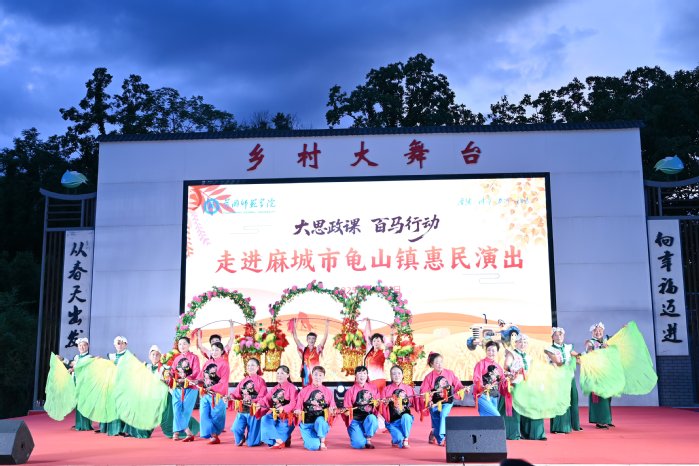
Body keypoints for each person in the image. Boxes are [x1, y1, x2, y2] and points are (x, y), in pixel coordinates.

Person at [420, 352, 469, 446]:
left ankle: (443, 437)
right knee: (436, 419)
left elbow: (457, 384)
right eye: (437, 363)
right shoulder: (428, 377)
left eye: (441, 362)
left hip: (447, 401)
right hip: (434, 403)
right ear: (432, 364)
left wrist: (463, 389)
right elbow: (425, 392)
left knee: (443, 415)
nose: (440, 364)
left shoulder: (449, 373)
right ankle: (434, 432)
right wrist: (429, 401)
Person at [504, 334, 546, 441]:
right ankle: (514, 433)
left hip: (527, 386)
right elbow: (506, 366)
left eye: (525, 342)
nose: (523, 344)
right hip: (515, 384)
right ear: (516, 343)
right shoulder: (511, 353)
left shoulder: (528, 357)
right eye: (520, 342)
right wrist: (514, 370)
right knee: (515, 411)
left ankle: (530, 433)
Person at [545, 327, 582, 433]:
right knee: (560, 401)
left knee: (573, 399)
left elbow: (578, 357)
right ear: (552, 337)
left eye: (560, 334)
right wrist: (570, 362)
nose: (558, 337)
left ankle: (574, 424)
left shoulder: (568, 347)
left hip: (570, 378)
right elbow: (556, 363)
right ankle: (559, 427)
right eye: (556, 335)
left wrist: (581, 357)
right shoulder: (550, 349)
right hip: (558, 380)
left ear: (564, 336)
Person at [294, 366, 336, 451]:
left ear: (323, 377)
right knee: (314, 446)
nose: (318, 377)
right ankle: (309, 439)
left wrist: (332, 410)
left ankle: (322, 440)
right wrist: (297, 410)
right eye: (316, 374)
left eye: (320, 375)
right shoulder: (304, 391)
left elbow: (333, 407)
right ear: (312, 376)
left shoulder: (328, 392)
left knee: (321, 420)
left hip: (320, 423)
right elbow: (298, 406)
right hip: (307, 424)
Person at [170, 336, 201, 442]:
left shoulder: (194, 357)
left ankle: (177, 432)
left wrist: (186, 379)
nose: (182, 346)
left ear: (189, 344)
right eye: (180, 344)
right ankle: (185, 431)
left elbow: (196, 371)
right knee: (176, 409)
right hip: (178, 388)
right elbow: (173, 371)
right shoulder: (176, 358)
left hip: (190, 388)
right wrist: (169, 375)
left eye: (184, 343)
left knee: (185, 410)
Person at [230, 357, 267, 447]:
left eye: (253, 365)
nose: (250, 367)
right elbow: (236, 393)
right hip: (242, 410)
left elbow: (262, 396)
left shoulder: (261, 381)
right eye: (248, 365)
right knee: (235, 428)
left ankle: (258, 438)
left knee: (252, 443)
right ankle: (241, 437)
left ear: (258, 367)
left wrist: (253, 401)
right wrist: (230, 397)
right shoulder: (243, 381)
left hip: (253, 410)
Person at [98, 336, 130, 436]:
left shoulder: (128, 356)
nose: (120, 345)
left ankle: (121, 428)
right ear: (115, 345)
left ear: (125, 344)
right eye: (118, 343)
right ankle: (111, 428)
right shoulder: (111, 356)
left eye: (122, 343)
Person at [259, 365, 297, 449]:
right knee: (265, 419)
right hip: (275, 415)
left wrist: (283, 408)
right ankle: (279, 440)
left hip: (286, 417)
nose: (279, 375)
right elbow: (266, 399)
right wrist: (258, 404)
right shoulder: (275, 388)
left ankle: (282, 439)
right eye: (278, 373)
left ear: (288, 375)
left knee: (274, 440)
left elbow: (294, 402)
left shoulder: (292, 387)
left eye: (282, 373)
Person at [199, 342, 230, 444]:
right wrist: (198, 382)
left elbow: (223, 381)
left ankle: (215, 434)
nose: (214, 352)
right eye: (212, 350)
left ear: (222, 351)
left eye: (217, 350)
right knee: (204, 414)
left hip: (217, 395)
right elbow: (201, 376)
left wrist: (211, 387)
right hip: (205, 394)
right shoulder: (207, 362)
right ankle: (212, 434)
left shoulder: (224, 364)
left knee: (217, 416)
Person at [586, 322, 614, 429]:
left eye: (600, 330)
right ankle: (600, 421)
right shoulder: (590, 342)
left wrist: (624, 330)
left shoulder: (607, 340)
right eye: (595, 331)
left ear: (603, 330)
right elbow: (589, 353)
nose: (598, 332)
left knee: (607, 396)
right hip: (596, 373)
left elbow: (618, 338)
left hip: (607, 372)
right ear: (592, 333)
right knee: (599, 397)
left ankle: (607, 419)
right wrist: (601, 348)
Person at [343, 366, 379, 449]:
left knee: (372, 418)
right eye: (359, 373)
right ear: (355, 375)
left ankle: (368, 439)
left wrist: (378, 403)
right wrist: (346, 411)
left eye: (364, 373)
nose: (362, 375)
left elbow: (377, 404)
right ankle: (356, 432)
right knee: (358, 445)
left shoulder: (373, 388)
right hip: (356, 420)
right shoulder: (350, 391)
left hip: (368, 418)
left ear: (367, 375)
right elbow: (346, 408)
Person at [64, 337, 94, 431]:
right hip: (76, 382)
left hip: (84, 383)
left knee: (84, 403)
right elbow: (72, 363)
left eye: (84, 345)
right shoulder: (77, 357)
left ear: (88, 346)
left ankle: (85, 425)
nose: (82, 347)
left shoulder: (89, 357)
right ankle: (79, 424)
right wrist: (62, 359)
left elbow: (82, 367)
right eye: (80, 345)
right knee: (78, 403)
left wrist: (73, 369)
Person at [381, 365, 414, 449]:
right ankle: (396, 440)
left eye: (399, 373)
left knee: (406, 416)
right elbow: (381, 406)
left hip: (405, 418)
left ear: (402, 375)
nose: (397, 376)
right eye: (394, 374)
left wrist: (427, 398)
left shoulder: (408, 388)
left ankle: (406, 439)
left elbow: (416, 400)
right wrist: (385, 402)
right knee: (398, 439)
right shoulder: (386, 389)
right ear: (391, 376)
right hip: (392, 421)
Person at [473, 341, 507, 417]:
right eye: (488, 350)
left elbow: (502, 381)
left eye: (493, 350)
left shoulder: (498, 367)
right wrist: (483, 386)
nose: (490, 352)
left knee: (487, 420)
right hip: (483, 395)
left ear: (497, 352)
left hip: (494, 396)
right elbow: (476, 379)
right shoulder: (480, 364)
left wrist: (509, 378)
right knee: (496, 416)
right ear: (486, 351)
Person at [292, 318, 329, 386]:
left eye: (313, 339)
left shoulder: (317, 349)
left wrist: (326, 326)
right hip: (306, 373)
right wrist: (294, 326)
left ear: (315, 340)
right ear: (307, 340)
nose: (311, 340)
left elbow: (325, 338)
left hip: (315, 373)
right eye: (309, 338)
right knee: (306, 389)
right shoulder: (303, 349)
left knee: (315, 388)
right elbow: (295, 338)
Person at [363, 320, 392, 393]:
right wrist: (368, 322)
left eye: (378, 341)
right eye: (374, 341)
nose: (376, 342)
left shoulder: (383, 352)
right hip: (369, 380)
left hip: (379, 380)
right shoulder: (369, 353)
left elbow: (390, 346)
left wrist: (391, 331)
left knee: (379, 398)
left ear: (382, 342)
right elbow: (367, 336)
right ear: (372, 343)